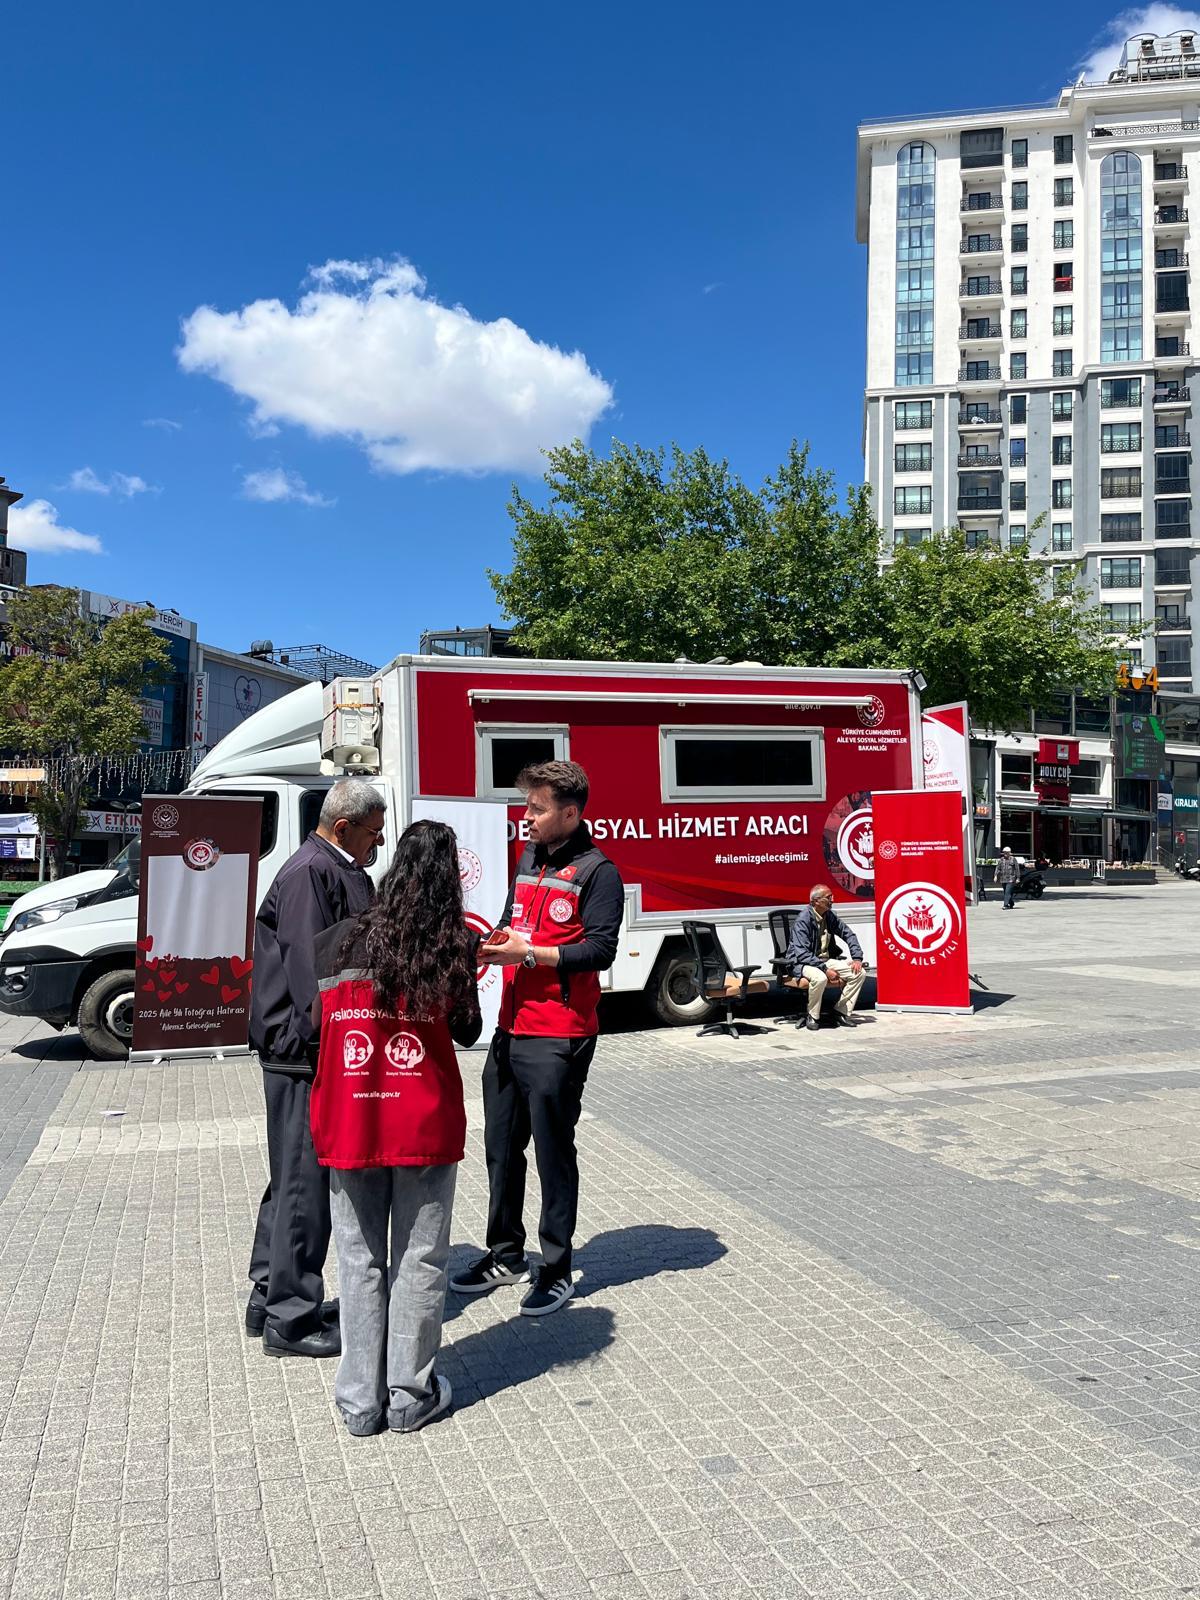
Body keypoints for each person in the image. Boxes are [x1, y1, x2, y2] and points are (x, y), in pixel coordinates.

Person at [310, 819, 481, 1436]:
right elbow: (465, 1030)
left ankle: (360, 1403)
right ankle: (410, 1394)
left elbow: (315, 1031)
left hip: (353, 1116)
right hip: (424, 1122)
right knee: (421, 1258)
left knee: (357, 1260)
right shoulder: (452, 944)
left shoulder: (335, 942)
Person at [450, 760, 623, 1317]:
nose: (525, 817)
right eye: (526, 806)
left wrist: (527, 953)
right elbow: (511, 920)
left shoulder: (600, 873)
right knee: (500, 1148)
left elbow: (600, 952)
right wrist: (487, 942)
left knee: (553, 1151)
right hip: (510, 1027)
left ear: (570, 814)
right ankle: (505, 1254)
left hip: (560, 1033)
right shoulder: (529, 859)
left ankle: (555, 1266)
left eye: (537, 809)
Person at [246, 779, 386, 1357]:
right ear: (343, 826)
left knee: (291, 1177)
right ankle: (292, 1318)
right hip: (304, 1049)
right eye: (373, 833)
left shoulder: (332, 867)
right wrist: (337, 1042)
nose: (377, 844)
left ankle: (267, 1293)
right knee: (305, 1182)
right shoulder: (311, 872)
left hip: (302, 1046)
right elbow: (312, 971)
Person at [784, 884, 867, 1031]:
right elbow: (802, 954)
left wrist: (857, 958)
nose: (832, 900)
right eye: (828, 898)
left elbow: (848, 934)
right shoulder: (803, 920)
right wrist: (825, 969)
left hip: (823, 960)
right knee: (820, 977)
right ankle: (813, 1015)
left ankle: (840, 1012)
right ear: (816, 901)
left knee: (859, 973)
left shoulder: (829, 915)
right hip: (801, 963)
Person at [995, 845, 1019, 910]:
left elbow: (1017, 869)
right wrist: (995, 876)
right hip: (1003, 879)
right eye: (1004, 852)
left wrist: (1018, 878)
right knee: (1007, 892)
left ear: (1009, 853)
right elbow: (998, 868)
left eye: (1007, 852)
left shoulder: (1013, 859)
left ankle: (1005, 905)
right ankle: (1011, 903)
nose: (1005, 854)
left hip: (1011, 879)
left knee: (1007, 892)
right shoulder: (1001, 860)